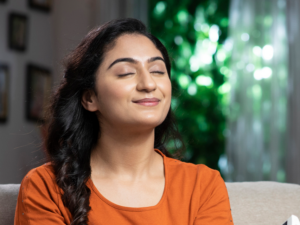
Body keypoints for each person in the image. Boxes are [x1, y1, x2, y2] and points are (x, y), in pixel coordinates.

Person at [14, 18, 234, 225]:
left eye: (157, 70)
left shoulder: (203, 186)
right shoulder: (45, 187)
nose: (148, 84)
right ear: (90, 97)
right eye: (126, 73)